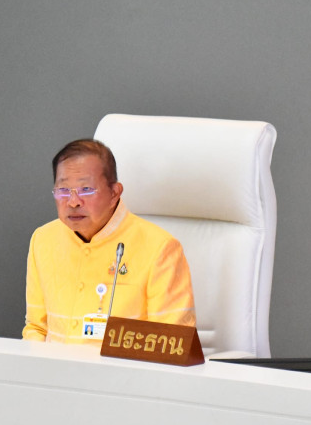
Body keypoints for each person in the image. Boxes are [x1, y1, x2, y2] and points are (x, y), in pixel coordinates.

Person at [23, 139, 195, 344]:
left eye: (86, 189)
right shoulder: (43, 239)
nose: (73, 202)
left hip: (123, 366)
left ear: (114, 193)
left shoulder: (160, 248)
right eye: (63, 190)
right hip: (53, 365)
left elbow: (173, 342)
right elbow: (36, 328)